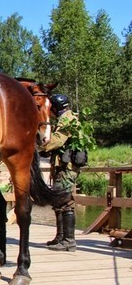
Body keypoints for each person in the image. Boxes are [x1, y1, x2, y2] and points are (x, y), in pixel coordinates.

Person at [39, 93, 80, 252]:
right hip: (61, 165)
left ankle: (68, 240)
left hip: (67, 167)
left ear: (56, 107)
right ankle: (61, 237)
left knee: (65, 201)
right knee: (58, 200)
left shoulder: (68, 119)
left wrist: (41, 146)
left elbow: (58, 140)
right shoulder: (66, 119)